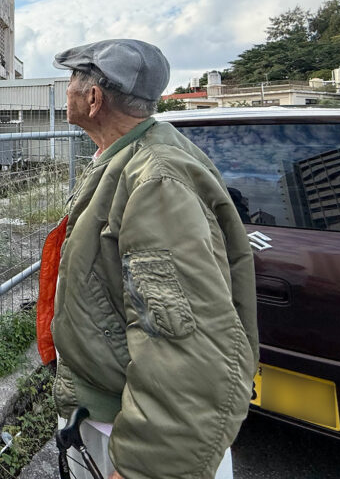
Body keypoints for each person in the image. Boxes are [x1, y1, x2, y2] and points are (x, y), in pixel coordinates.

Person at [36, 39, 258, 479]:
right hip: (113, 409)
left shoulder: (155, 181)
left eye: (71, 80)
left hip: (132, 435)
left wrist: (149, 466)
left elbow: (182, 340)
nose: (66, 90)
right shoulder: (127, 156)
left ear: (94, 98)